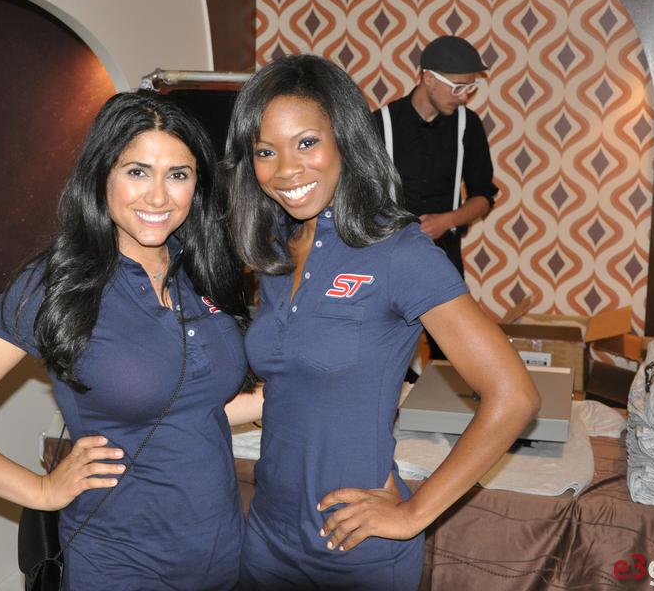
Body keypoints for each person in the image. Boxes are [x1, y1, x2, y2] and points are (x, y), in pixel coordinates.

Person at [0, 91, 255, 590]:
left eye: (178, 174)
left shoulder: (202, 270)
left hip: (224, 555)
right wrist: (41, 491)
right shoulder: (57, 284)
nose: (158, 197)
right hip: (121, 565)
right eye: (137, 171)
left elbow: (191, 407)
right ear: (102, 175)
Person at [225, 54, 540, 590]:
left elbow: (514, 398)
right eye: (265, 151)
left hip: (354, 551)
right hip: (266, 537)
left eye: (306, 143)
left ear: (345, 140)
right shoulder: (278, 248)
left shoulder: (399, 252)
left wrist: (414, 513)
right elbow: (288, 386)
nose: (286, 170)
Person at [373, 35, 499, 365]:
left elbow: (484, 196)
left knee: (453, 353)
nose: (464, 96)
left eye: (470, 88)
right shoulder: (381, 123)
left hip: (443, 256)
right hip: (389, 258)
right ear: (428, 77)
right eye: (457, 87)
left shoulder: (468, 125)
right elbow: (359, 197)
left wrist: (447, 220)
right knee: (385, 349)